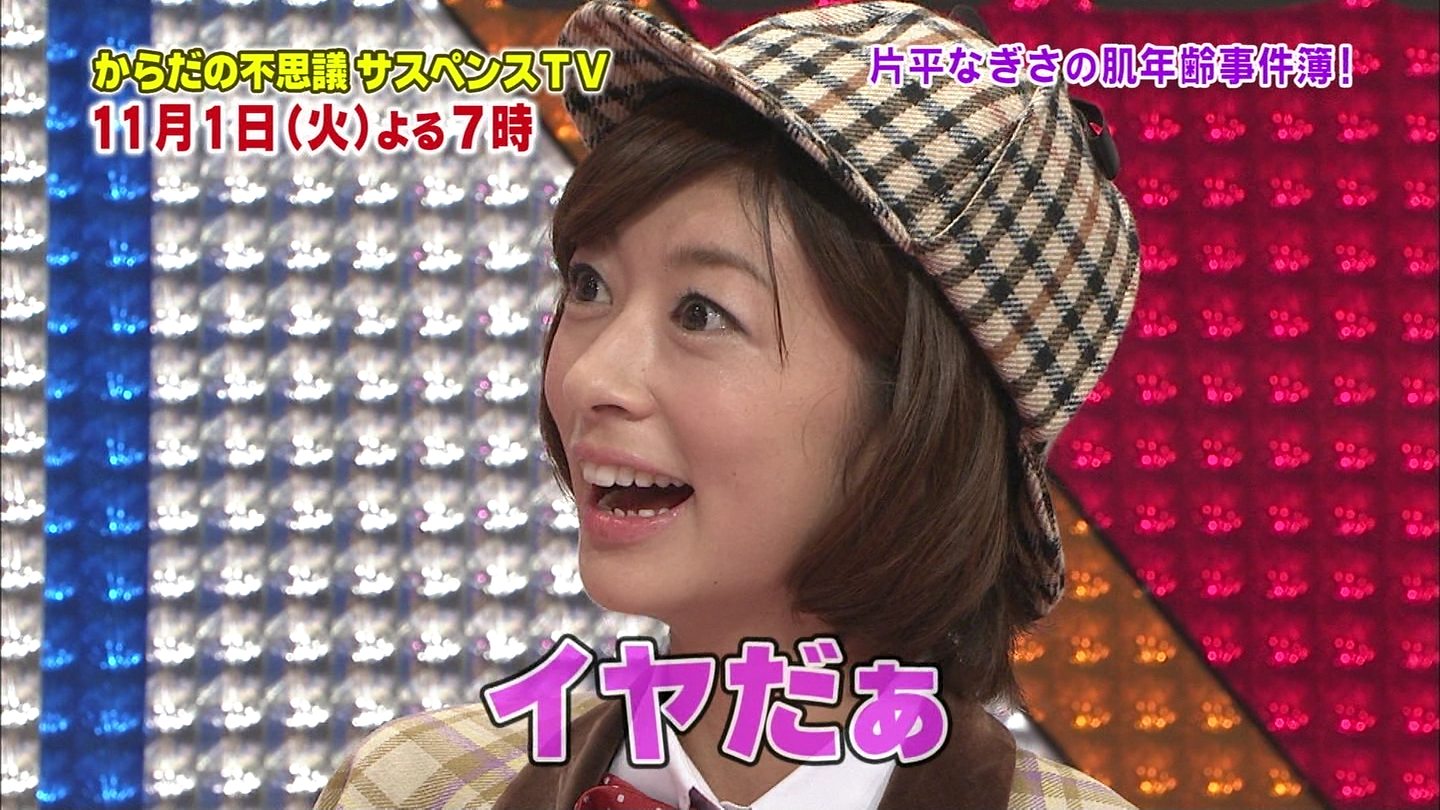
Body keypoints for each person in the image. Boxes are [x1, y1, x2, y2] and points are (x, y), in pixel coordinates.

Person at [315, 1, 1142, 807]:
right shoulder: (414, 789)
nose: (590, 377)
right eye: (590, 285)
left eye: (701, 313)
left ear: (916, 421)